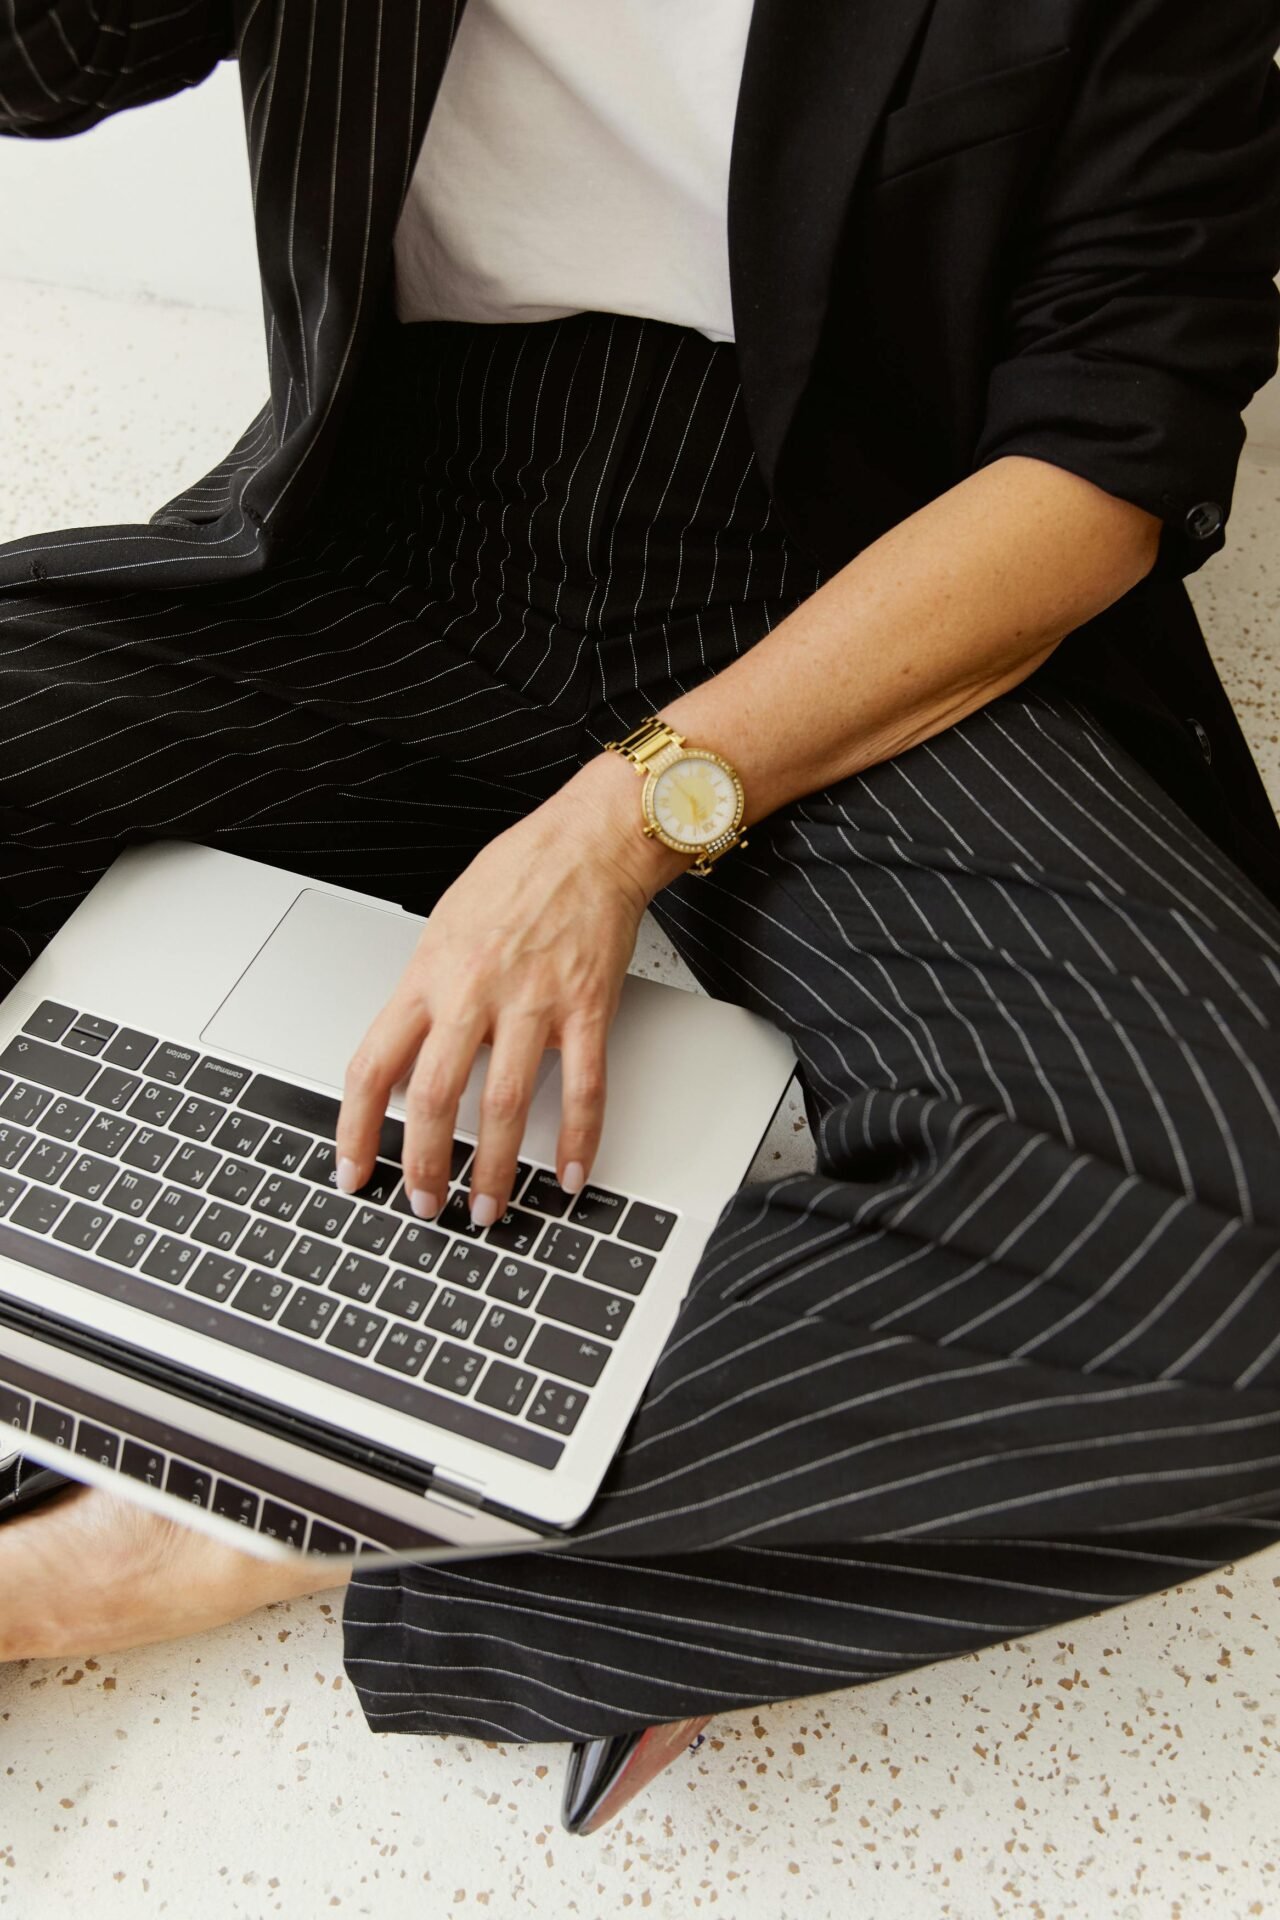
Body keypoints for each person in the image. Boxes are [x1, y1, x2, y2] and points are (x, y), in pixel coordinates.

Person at [2, 0, 1280, 1751]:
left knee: (1234, 1251)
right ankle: (658, 1529)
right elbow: (46, 59)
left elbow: (1104, 457)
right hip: (387, 499)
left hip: (852, 565)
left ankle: (236, 1531)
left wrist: (615, 829)